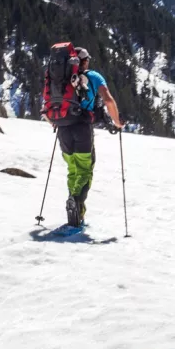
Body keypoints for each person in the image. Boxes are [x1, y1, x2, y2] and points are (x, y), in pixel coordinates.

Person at [57, 47, 123, 229]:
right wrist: (117, 121)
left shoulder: (60, 78)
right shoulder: (93, 76)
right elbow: (108, 100)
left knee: (73, 170)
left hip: (63, 129)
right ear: (83, 61)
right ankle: (76, 202)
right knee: (85, 170)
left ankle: (76, 209)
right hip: (82, 130)